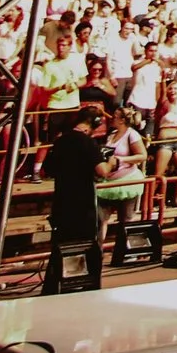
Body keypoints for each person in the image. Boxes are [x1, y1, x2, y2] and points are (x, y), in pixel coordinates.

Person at [46, 104, 112, 290]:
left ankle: (56, 284)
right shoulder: (88, 143)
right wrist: (112, 163)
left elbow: (47, 169)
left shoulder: (60, 140)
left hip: (61, 201)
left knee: (61, 244)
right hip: (83, 203)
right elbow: (102, 171)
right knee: (88, 244)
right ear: (94, 123)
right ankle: (87, 284)